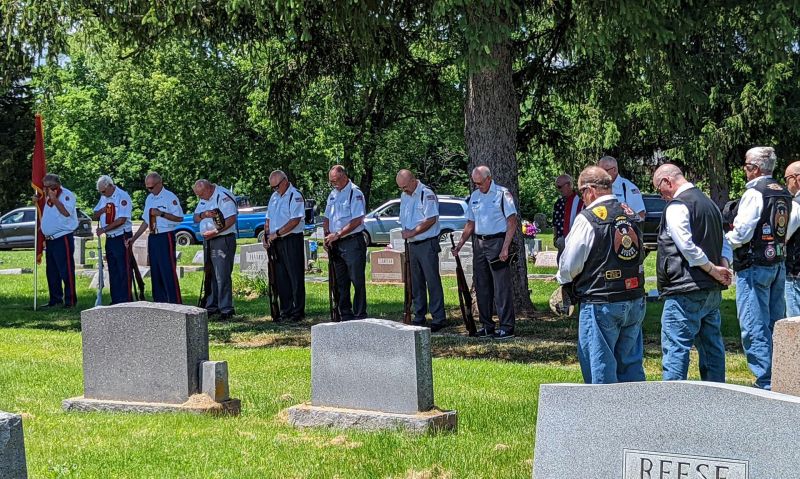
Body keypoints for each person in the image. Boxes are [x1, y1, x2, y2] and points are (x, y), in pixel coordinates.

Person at [557, 166, 646, 384]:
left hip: (600, 301)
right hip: (634, 298)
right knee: (631, 369)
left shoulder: (588, 218)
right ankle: (638, 416)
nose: (582, 198)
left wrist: (563, 282)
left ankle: (604, 417)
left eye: (580, 192)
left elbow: (570, 264)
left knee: (601, 371)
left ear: (590, 190)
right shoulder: (630, 213)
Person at [653, 164, 733, 382]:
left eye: (660, 190)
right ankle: (717, 395)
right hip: (710, 289)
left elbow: (687, 247)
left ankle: (674, 402)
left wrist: (714, 269)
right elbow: (724, 241)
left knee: (676, 348)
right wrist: (723, 265)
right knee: (712, 347)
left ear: (667, 182)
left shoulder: (677, 206)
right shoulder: (710, 204)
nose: (662, 197)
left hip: (684, 288)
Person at [727, 147, 792, 390]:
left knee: (754, 325)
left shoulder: (755, 193)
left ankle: (765, 381)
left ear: (754, 168)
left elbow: (742, 232)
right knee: (776, 322)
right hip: (777, 261)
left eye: (746, 165)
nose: (744, 170)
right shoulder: (782, 191)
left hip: (754, 263)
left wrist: (722, 243)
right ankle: (782, 375)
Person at [452, 166, 518, 339]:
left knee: (501, 287)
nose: (478, 186)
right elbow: (470, 224)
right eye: (475, 183)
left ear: (489, 178)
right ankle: (487, 325)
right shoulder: (474, 197)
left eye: (480, 183)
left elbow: (512, 222)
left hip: (497, 241)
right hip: (479, 243)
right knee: (482, 286)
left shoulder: (502, 194)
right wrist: (459, 245)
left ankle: (506, 326)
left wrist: (505, 247)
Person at [396, 169, 446, 331]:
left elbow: (431, 219)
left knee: (432, 281)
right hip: (412, 245)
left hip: (426, 243)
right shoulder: (405, 196)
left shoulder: (426, 194)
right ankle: (419, 315)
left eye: (404, 186)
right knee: (415, 282)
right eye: (401, 188)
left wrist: (413, 232)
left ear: (412, 181)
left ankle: (438, 317)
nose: (403, 190)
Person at [127, 172, 184, 304]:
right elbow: (146, 221)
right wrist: (134, 238)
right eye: (147, 187)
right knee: (156, 271)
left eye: (151, 187)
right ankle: (159, 303)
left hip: (166, 235)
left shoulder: (170, 197)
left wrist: (161, 214)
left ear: (160, 184)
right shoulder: (149, 198)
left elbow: (179, 218)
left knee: (167, 270)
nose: (149, 190)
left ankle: (175, 302)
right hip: (153, 236)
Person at [323, 165, 368, 321]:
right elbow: (327, 217)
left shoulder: (355, 193)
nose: (333, 184)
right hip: (335, 243)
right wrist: (327, 235)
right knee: (340, 281)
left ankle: (360, 313)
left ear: (343, 176)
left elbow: (357, 220)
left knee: (357, 280)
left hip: (352, 242)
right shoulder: (333, 194)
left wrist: (338, 234)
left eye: (335, 180)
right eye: (331, 181)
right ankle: (345, 313)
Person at [263, 170, 306, 322]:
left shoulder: (295, 196)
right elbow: (268, 218)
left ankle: (297, 311)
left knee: (295, 276)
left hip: (291, 239)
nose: (275, 189)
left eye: (277, 186)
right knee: (280, 277)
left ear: (285, 181)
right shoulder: (274, 197)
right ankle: (285, 309)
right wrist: (266, 234)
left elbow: (295, 220)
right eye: (273, 187)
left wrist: (278, 234)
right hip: (276, 240)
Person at [193, 179, 238, 319]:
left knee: (222, 274)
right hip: (208, 240)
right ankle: (212, 305)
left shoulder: (223, 195)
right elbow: (195, 218)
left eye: (201, 195)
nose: (199, 198)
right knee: (210, 273)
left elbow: (231, 218)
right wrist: (203, 215)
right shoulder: (204, 199)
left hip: (222, 239)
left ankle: (226, 308)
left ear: (208, 189)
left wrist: (215, 232)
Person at [39, 173, 79, 308]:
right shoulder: (46, 196)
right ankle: (55, 299)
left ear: (56, 185)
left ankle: (70, 300)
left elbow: (66, 212)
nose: (45, 189)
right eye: (44, 187)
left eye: (48, 187)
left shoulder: (67, 195)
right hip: (50, 240)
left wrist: (55, 199)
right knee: (52, 272)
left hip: (63, 238)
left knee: (66, 270)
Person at [92, 175, 133, 304]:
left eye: (103, 191)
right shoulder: (104, 197)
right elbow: (95, 214)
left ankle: (125, 298)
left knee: (123, 269)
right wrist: (103, 210)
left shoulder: (122, 196)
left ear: (110, 186)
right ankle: (115, 299)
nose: (102, 194)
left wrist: (104, 229)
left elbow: (122, 220)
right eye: (100, 192)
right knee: (113, 269)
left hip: (122, 236)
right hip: (110, 238)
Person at [597, 156, 646, 220]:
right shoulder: (598, 187)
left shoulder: (628, 187)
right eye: (599, 171)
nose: (601, 175)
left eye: (604, 171)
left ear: (614, 170)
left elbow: (640, 215)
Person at [552, 174, 584, 260]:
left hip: (575, 242)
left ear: (569, 185)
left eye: (559, 186)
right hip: (561, 241)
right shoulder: (558, 203)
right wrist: (555, 238)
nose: (558, 190)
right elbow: (555, 223)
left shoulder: (580, 203)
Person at [784, 161, 800, 317]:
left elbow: (784, 237)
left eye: (786, 178)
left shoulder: (796, 205)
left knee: (795, 324)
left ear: (797, 179)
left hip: (795, 272)